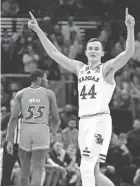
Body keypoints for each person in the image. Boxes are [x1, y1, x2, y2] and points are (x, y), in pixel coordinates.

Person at [28, 8, 135, 186]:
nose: (93, 51)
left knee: (86, 167)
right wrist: (39, 30)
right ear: (85, 52)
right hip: (84, 122)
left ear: (102, 53)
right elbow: (54, 54)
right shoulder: (80, 68)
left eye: (96, 49)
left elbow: (128, 53)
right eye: (90, 49)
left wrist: (130, 28)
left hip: (99, 120)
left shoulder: (106, 68)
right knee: (92, 171)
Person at [6, 69, 60, 185]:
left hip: (25, 131)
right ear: (39, 79)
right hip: (41, 131)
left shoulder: (20, 94)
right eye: (46, 78)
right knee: (37, 171)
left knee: (24, 173)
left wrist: (9, 140)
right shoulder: (49, 93)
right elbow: (56, 119)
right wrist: (53, 133)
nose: (48, 81)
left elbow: (13, 118)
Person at [1, 100, 22, 186]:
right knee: (6, 173)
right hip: (9, 147)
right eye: (12, 106)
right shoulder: (7, 117)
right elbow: (1, 131)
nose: (13, 108)